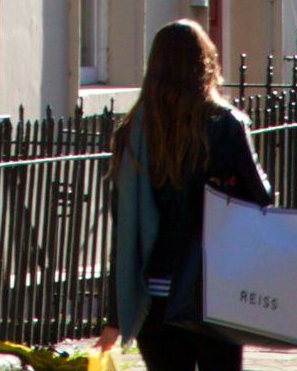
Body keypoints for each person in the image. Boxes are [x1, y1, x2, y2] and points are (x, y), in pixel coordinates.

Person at [95, 19, 272, 371]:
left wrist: (115, 316)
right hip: (213, 287)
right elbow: (262, 197)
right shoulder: (225, 124)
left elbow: (125, 229)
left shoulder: (133, 131)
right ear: (205, 63)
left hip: (154, 293)